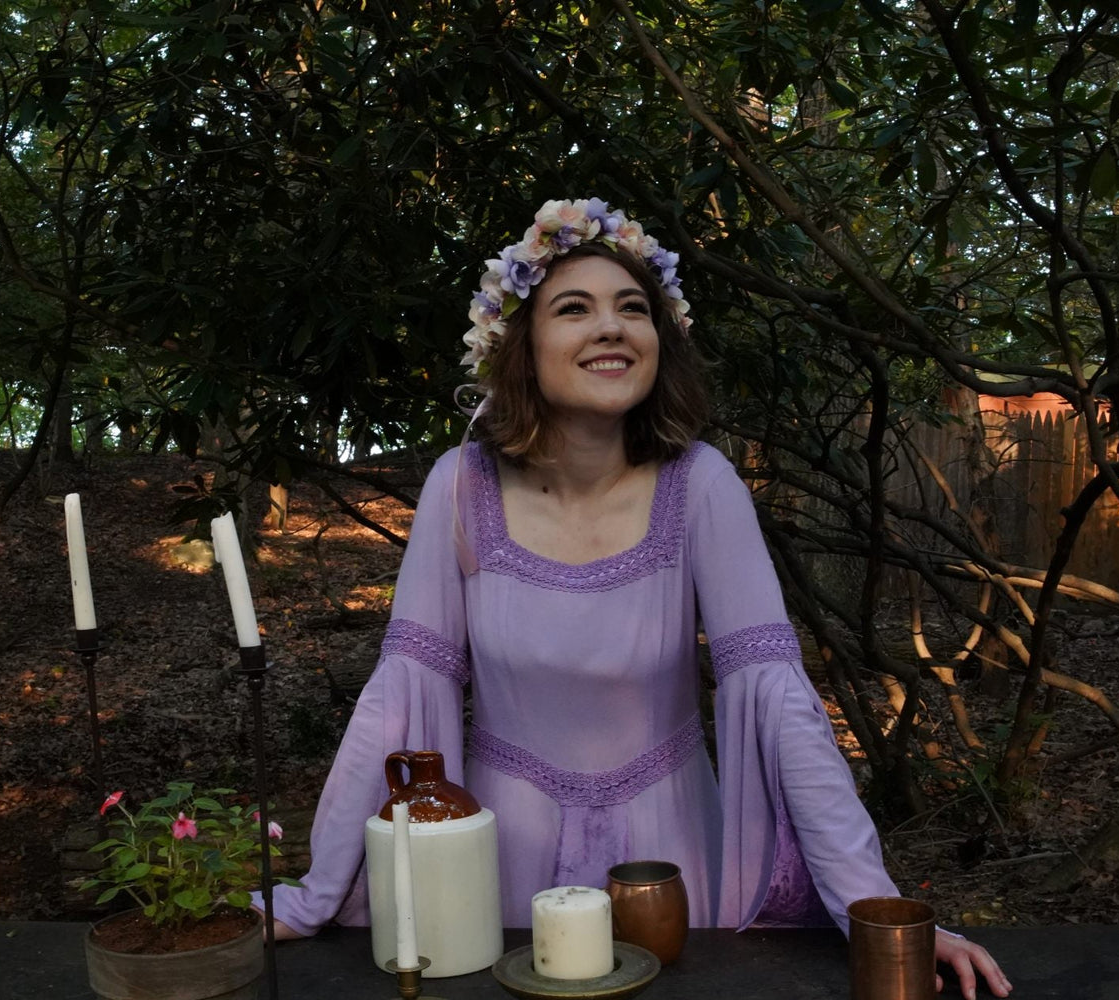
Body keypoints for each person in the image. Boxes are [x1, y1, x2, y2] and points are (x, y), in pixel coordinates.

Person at [257, 198, 1011, 1000]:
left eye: (633, 309)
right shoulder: (460, 485)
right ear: (522, 345)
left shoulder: (702, 486)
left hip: (672, 862)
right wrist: (318, 892)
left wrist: (875, 909)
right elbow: (405, 696)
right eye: (574, 309)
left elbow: (776, 698)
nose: (611, 328)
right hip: (501, 867)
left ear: (661, 339)